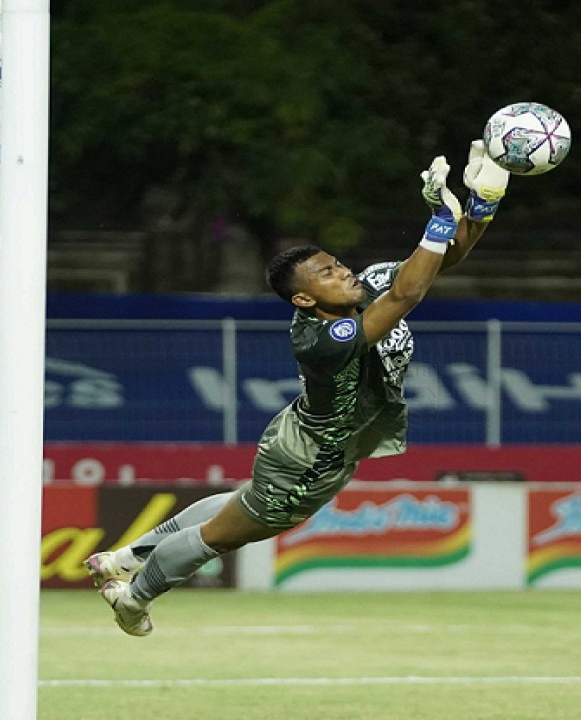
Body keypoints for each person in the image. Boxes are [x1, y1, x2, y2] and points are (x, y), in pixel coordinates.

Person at [84, 141, 511, 635]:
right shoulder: (324, 340)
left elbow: (439, 261)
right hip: (313, 461)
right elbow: (407, 293)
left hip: (305, 438)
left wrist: (482, 205)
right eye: (328, 272)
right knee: (223, 535)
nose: (344, 270)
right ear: (306, 298)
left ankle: (124, 558)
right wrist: (437, 220)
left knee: (241, 504)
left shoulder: (366, 285)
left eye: (338, 262)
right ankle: (133, 601)